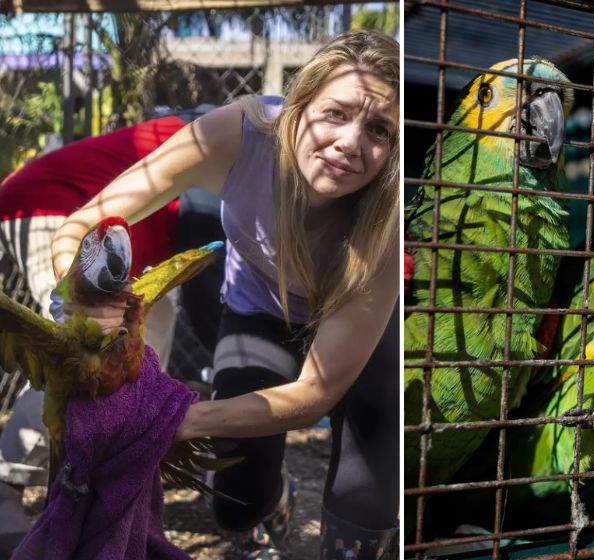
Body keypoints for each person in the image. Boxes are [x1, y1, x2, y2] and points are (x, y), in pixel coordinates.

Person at [47, 29, 400, 560]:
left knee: (364, 500)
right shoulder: (239, 132)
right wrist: (81, 296)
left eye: (378, 129)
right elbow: (83, 224)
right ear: (300, 107)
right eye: (335, 113)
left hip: (359, 334)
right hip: (259, 308)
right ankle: (277, 500)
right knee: (237, 503)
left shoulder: (388, 218)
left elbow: (313, 396)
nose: (350, 143)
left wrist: (168, 421)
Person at [0, 109, 225, 556]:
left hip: (127, 251)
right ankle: (7, 477)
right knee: (78, 365)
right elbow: (211, 297)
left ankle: (119, 471)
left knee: (136, 369)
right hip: (56, 211)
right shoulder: (220, 142)